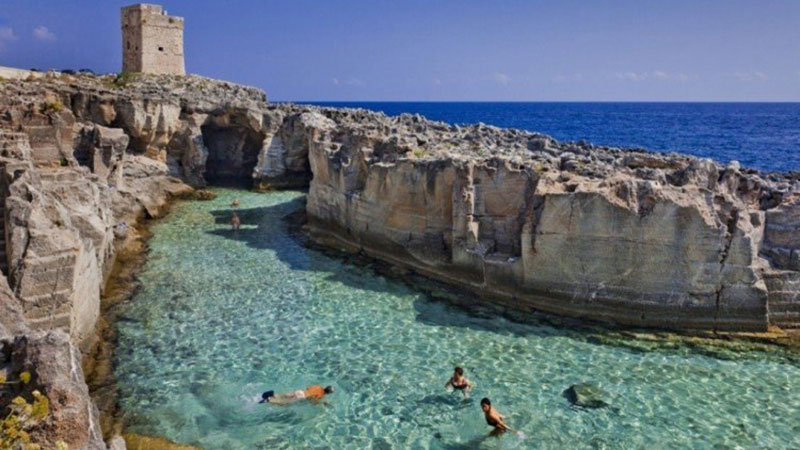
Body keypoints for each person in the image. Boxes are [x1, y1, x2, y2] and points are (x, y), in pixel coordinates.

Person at [260, 385, 334, 406]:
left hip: (300, 391)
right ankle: (269, 400)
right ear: (328, 393)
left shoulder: (318, 386)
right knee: (285, 403)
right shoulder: (321, 395)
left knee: (283, 396)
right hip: (301, 396)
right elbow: (313, 401)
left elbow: (308, 387)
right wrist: (322, 403)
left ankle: (272, 394)